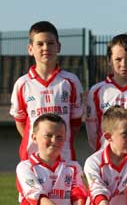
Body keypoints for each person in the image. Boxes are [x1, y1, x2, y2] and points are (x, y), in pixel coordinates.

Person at [10, 21, 83, 161]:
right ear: (30, 49)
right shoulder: (22, 84)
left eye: (50, 43)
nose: (45, 48)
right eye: (40, 44)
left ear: (58, 47)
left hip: (64, 157)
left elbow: (75, 124)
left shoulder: (70, 81)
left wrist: (58, 141)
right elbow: (21, 123)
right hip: (32, 157)